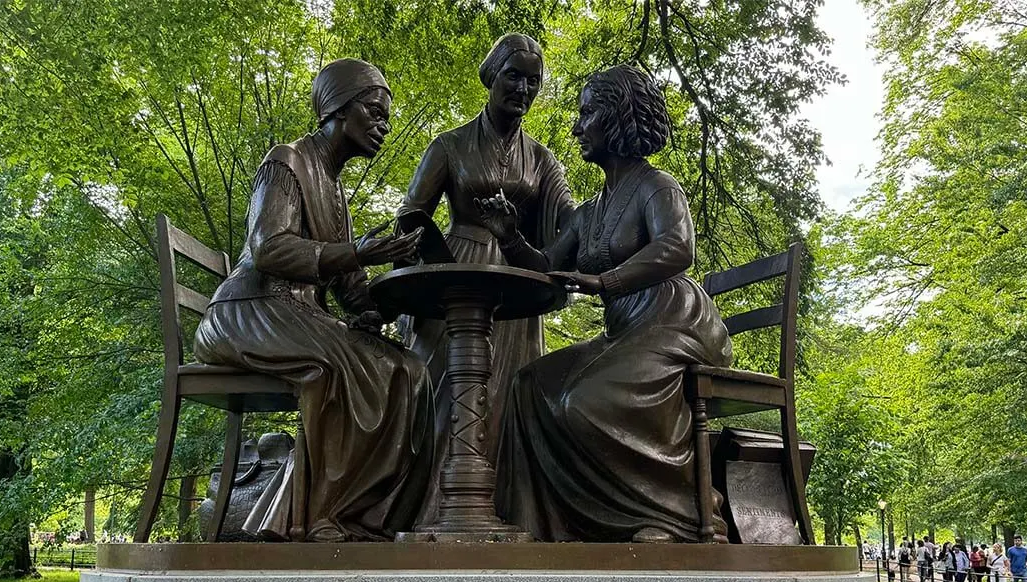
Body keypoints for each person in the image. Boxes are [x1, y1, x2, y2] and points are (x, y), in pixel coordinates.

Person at [475, 64, 733, 542]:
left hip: (674, 323)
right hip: (624, 331)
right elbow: (546, 264)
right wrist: (510, 239)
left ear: (616, 118)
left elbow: (678, 248)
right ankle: (547, 526)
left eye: (587, 112)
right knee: (529, 385)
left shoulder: (659, 187)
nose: (576, 126)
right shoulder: (590, 212)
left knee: (583, 402)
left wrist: (605, 281)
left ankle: (676, 516)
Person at [195, 59, 435, 542]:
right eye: (374, 112)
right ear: (337, 110)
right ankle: (313, 517)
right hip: (249, 309)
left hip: (298, 316)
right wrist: (356, 251)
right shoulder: (286, 161)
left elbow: (350, 290)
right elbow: (269, 247)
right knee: (332, 366)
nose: (383, 126)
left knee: (410, 371)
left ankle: (367, 513)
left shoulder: (337, 191)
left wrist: (398, 287)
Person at [399, 33, 573, 523]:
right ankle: (432, 512)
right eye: (514, 75)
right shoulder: (449, 145)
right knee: (438, 391)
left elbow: (569, 221)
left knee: (510, 392)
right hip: (454, 272)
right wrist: (432, 277)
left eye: (533, 81)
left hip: (514, 283)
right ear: (492, 76)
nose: (523, 88)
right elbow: (412, 215)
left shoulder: (542, 160)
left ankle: (499, 510)